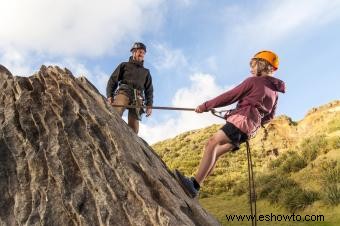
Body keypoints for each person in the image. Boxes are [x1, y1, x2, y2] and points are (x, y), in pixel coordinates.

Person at [174, 50, 286, 198]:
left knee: (212, 143)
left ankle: (194, 186)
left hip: (241, 120)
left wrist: (205, 106)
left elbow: (230, 96)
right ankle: (196, 185)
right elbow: (270, 116)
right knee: (216, 152)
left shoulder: (253, 81)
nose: (251, 69)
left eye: (253, 65)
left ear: (261, 65)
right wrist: (254, 120)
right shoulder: (275, 92)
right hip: (249, 130)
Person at [106, 42, 153, 134]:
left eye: (143, 53)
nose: (142, 54)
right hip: (124, 92)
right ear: (134, 52)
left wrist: (149, 105)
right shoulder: (124, 65)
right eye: (140, 52)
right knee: (115, 112)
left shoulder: (146, 72)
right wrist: (110, 95)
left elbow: (149, 90)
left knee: (134, 129)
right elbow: (112, 80)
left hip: (138, 98)